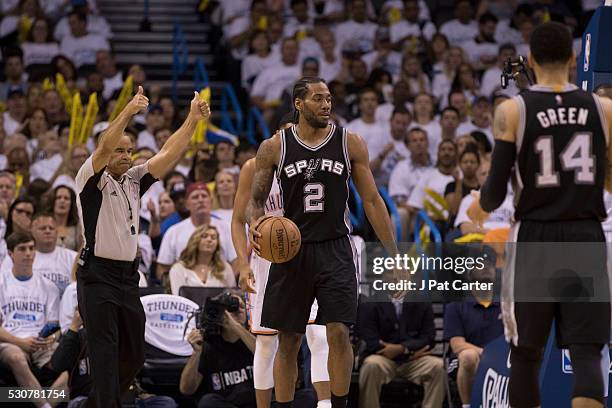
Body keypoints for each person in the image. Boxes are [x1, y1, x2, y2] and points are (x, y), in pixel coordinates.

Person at [467, 22, 612, 408]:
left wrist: (475, 209)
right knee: (585, 354)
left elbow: (494, 192)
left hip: (535, 239)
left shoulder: (512, 109)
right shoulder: (605, 109)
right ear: (571, 58)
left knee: (526, 356)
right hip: (585, 237)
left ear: (529, 59)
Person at [246, 77, 399, 408]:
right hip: (290, 253)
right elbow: (255, 202)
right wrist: (257, 223)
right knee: (288, 340)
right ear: (299, 104)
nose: (326, 104)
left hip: (336, 247)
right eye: (318, 99)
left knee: (338, 333)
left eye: (329, 98)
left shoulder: (350, 142)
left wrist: (393, 256)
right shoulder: (274, 147)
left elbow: (372, 200)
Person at [74, 86, 210, 407]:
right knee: (105, 356)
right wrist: (130, 110)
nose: (125, 156)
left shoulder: (135, 179)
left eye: (129, 151)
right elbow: (106, 143)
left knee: (134, 356)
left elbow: (169, 153)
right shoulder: (90, 179)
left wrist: (192, 120)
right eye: (120, 151)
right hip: (97, 276)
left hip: (127, 278)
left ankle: (95, 403)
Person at [232, 119, 331, 408]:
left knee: (318, 333)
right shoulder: (253, 168)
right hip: (265, 262)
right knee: (266, 343)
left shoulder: (312, 167)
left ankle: (324, 404)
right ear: (275, 137)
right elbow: (238, 220)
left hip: (305, 259)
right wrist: (242, 263)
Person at [0, 232, 63, 408]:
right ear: (10, 254)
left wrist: (51, 339)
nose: (28, 253)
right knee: (16, 358)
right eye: (22, 249)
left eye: (31, 248)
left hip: (41, 343)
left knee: (70, 362)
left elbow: (55, 327)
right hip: (10, 341)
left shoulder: (49, 286)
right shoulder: (1, 283)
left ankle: (45, 402)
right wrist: (20, 342)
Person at [358, 295, 446, 408]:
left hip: (414, 359)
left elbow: (428, 337)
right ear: (384, 276)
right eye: (392, 275)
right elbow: (370, 338)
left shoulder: (421, 302)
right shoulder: (371, 302)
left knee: (438, 366)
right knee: (370, 365)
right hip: (383, 357)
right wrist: (403, 352)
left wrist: (404, 349)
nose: (396, 277)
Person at [179, 291, 257, 408]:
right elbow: (186, 389)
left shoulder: (255, 339)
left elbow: (266, 358)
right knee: (208, 402)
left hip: (256, 403)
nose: (238, 310)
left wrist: (236, 326)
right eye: (231, 308)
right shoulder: (209, 345)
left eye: (242, 307)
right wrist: (196, 353)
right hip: (226, 404)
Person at [169, 224, 236, 295]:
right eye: (204, 236)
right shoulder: (178, 269)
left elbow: (233, 295)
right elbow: (178, 299)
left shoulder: (225, 268)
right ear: (195, 241)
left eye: (213, 237)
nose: (209, 240)